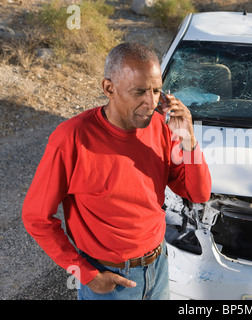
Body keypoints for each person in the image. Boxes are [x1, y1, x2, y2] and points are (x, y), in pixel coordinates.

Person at [22, 42, 212, 299]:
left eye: (157, 91)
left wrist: (189, 140)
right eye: (140, 92)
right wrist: (86, 274)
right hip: (109, 281)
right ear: (109, 88)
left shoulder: (160, 126)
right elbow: (36, 218)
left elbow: (198, 193)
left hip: (158, 266)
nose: (152, 102)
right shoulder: (71, 138)